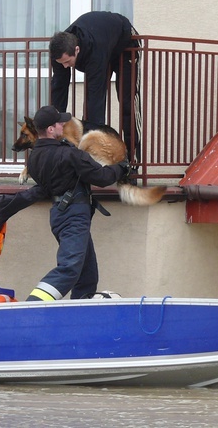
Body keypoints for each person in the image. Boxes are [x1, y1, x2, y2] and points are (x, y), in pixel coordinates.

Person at [24, 105, 130, 301]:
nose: (63, 125)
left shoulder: (33, 159)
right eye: (59, 123)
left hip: (58, 213)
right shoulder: (69, 153)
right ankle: (33, 306)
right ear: (50, 129)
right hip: (74, 214)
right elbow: (101, 176)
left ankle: (80, 310)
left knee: (87, 274)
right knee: (70, 268)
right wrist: (121, 168)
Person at [49, 11, 141, 162]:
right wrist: (56, 122)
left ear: (77, 50)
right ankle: (89, 160)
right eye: (61, 63)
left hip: (125, 42)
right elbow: (59, 86)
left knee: (127, 101)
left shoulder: (94, 51)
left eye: (68, 62)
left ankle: (132, 162)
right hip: (104, 41)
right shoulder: (59, 52)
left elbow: (96, 95)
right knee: (83, 101)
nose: (65, 66)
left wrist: (92, 138)